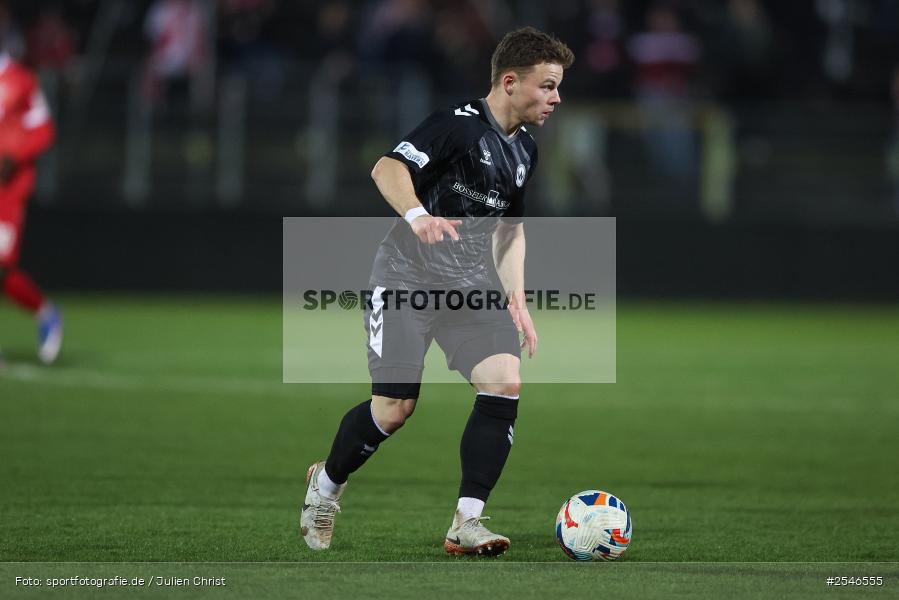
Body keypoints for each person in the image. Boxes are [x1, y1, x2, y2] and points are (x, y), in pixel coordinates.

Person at [300, 27, 574, 557]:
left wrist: (517, 297)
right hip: (405, 277)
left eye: (558, 87)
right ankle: (326, 485)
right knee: (395, 409)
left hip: (469, 285)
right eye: (548, 86)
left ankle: (466, 523)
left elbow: (510, 231)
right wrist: (418, 215)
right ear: (511, 81)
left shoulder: (525, 153)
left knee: (504, 381)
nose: (556, 98)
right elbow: (388, 167)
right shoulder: (457, 126)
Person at [0, 49, 61, 365]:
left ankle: (45, 312)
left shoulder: (21, 81)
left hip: (7, 191)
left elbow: (43, 129)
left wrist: (15, 155)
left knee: (1, 264)